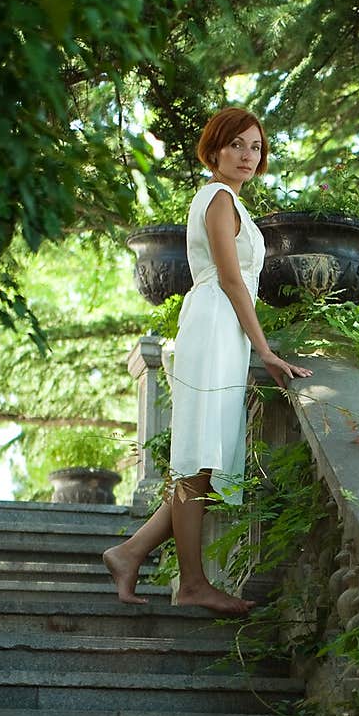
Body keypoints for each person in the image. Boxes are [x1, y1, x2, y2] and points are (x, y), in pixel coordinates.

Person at [103, 106, 312, 613]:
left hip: (222, 330)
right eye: (237, 144)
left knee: (204, 461)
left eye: (256, 147)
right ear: (214, 148)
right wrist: (265, 349)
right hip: (214, 327)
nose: (247, 155)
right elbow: (231, 278)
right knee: (199, 460)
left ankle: (129, 553)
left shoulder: (228, 200)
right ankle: (191, 582)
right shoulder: (218, 198)